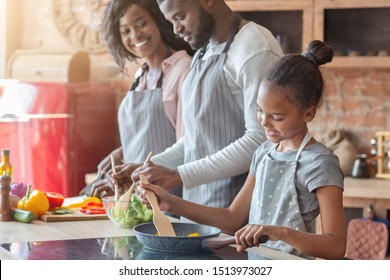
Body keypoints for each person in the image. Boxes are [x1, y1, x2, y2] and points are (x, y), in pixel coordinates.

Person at [138, 40, 347, 260]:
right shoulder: (264, 153)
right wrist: (171, 203)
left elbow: (335, 246)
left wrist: (279, 232)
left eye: (277, 117)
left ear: (308, 114)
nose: (264, 123)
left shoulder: (320, 163)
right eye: (260, 111)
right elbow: (232, 218)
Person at [123, 0, 284, 210]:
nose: (176, 29)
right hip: (200, 210)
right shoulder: (203, 52)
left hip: (242, 219)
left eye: (179, 17)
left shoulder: (254, 47)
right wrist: (148, 167)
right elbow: (196, 141)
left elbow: (261, 140)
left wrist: (179, 175)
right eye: (171, 21)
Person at [89, 0, 193, 197]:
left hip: (169, 196)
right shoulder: (140, 76)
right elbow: (148, 133)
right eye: (125, 31)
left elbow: (188, 143)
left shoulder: (183, 69)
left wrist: (139, 169)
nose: (135, 35)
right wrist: (122, 153)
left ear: (159, 20)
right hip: (138, 193)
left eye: (141, 23)